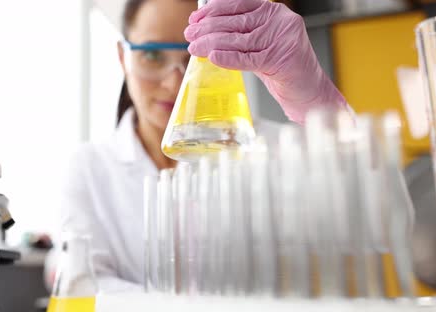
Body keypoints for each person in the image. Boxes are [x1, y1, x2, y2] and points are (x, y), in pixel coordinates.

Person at [56, 0, 351, 292]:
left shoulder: (273, 149)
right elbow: (80, 283)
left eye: (197, 56)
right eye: (153, 55)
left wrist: (317, 105)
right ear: (123, 57)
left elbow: (377, 220)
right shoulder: (89, 167)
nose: (174, 83)